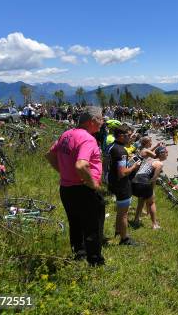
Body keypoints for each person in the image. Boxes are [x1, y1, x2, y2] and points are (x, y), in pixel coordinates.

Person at [45, 106, 106, 266]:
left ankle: (79, 255)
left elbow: (50, 155)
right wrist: (93, 185)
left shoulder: (67, 134)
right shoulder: (88, 139)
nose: (102, 122)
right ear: (91, 121)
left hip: (66, 189)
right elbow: (81, 165)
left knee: (75, 223)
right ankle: (95, 262)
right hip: (84, 190)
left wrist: (63, 172)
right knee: (93, 226)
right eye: (100, 119)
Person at [108, 125, 141, 246]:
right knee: (124, 213)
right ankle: (124, 239)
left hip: (112, 181)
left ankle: (118, 231)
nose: (131, 138)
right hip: (121, 184)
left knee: (120, 211)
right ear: (121, 136)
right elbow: (122, 173)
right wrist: (133, 167)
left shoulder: (111, 146)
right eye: (129, 135)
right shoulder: (121, 151)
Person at [131, 146, 167, 229]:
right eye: (166, 153)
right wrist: (152, 190)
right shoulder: (160, 164)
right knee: (151, 202)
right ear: (161, 154)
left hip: (135, 182)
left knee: (141, 200)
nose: (167, 154)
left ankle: (136, 220)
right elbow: (154, 178)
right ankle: (154, 224)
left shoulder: (149, 160)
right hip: (144, 182)